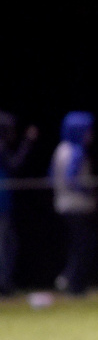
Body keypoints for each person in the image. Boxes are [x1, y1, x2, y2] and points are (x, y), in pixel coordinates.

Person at [50, 111, 97, 296]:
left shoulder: (60, 149)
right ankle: (72, 282)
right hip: (76, 206)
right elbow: (72, 179)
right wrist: (88, 190)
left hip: (63, 203)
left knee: (77, 245)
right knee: (83, 245)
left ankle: (70, 280)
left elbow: (51, 176)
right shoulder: (76, 151)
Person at [0, 111, 38, 297]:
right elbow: (15, 165)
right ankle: (4, 286)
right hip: (1, 205)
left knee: (9, 244)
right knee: (4, 246)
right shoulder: (0, 147)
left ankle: (6, 283)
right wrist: (27, 142)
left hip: (5, 204)